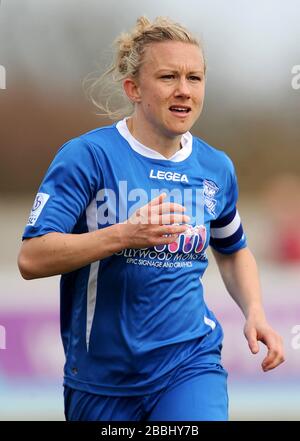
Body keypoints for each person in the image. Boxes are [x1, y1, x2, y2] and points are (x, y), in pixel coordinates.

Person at [18, 16, 285, 421]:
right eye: (168, 77)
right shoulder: (88, 157)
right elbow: (32, 258)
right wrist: (124, 234)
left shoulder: (215, 167)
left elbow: (233, 250)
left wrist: (255, 311)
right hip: (101, 380)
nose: (183, 90)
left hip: (190, 364)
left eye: (194, 78)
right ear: (134, 89)